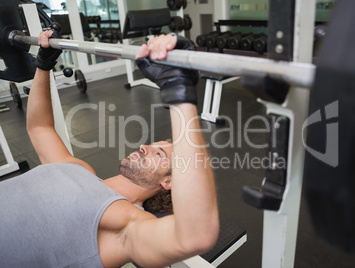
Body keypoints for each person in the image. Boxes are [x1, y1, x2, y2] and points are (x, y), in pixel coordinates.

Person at [0, 30, 219, 268]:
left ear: (169, 182)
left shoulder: (126, 226)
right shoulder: (79, 168)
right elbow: (39, 128)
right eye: (152, 145)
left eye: (159, 154)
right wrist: (43, 65)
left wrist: (179, 91)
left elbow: (196, 234)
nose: (145, 147)